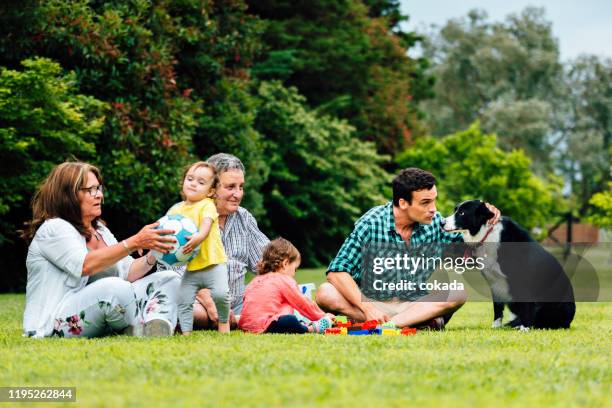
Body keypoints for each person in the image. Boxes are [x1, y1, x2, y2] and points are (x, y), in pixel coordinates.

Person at [316, 167, 500, 330]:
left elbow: (475, 248)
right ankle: (416, 322)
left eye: (434, 201)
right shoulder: (371, 222)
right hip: (373, 302)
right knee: (325, 292)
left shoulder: (435, 223)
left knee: (457, 292)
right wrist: (368, 308)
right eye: (425, 202)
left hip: (413, 304)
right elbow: (337, 271)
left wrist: (484, 215)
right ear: (403, 203)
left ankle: (391, 324)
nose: (433, 209)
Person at [22, 161, 181, 338]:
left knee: (170, 279)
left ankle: (158, 326)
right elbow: (84, 265)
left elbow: (127, 272)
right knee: (114, 288)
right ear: (68, 195)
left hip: (106, 306)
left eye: (99, 188)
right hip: (56, 321)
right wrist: (135, 242)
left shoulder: (100, 231)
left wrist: (154, 252)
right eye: (90, 190)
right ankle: (138, 327)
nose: (98, 195)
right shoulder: (55, 228)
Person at [191, 153, 269, 329]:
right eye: (231, 187)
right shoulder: (187, 219)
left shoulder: (244, 218)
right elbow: (176, 273)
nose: (238, 194)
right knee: (189, 310)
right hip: (200, 305)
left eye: (241, 187)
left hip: (239, 306)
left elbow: (267, 264)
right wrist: (212, 306)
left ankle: (237, 319)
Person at [167, 161, 230, 334]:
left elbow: (206, 224)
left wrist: (199, 237)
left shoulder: (207, 205)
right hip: (192, 268)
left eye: (201, 182)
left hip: (213, 264)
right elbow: (162, 226)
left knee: (220, 295)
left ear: (210, 192)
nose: (193, 183)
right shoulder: (176, 209)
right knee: (184, 299)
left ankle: (224, 323)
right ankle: (186, 332)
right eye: (190, 179)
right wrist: (149, 242)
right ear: (184, 182)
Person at [239, 238, 334, 334]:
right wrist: (323, 316)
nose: (294, 274)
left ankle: (300, 324)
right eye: (295, 269)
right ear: (285, 264)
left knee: (286, 305)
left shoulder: (255, 281)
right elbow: (302, 303)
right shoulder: (284, 280)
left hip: (246, 326)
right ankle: (311, 329)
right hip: (268, 326)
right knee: (290, 320)